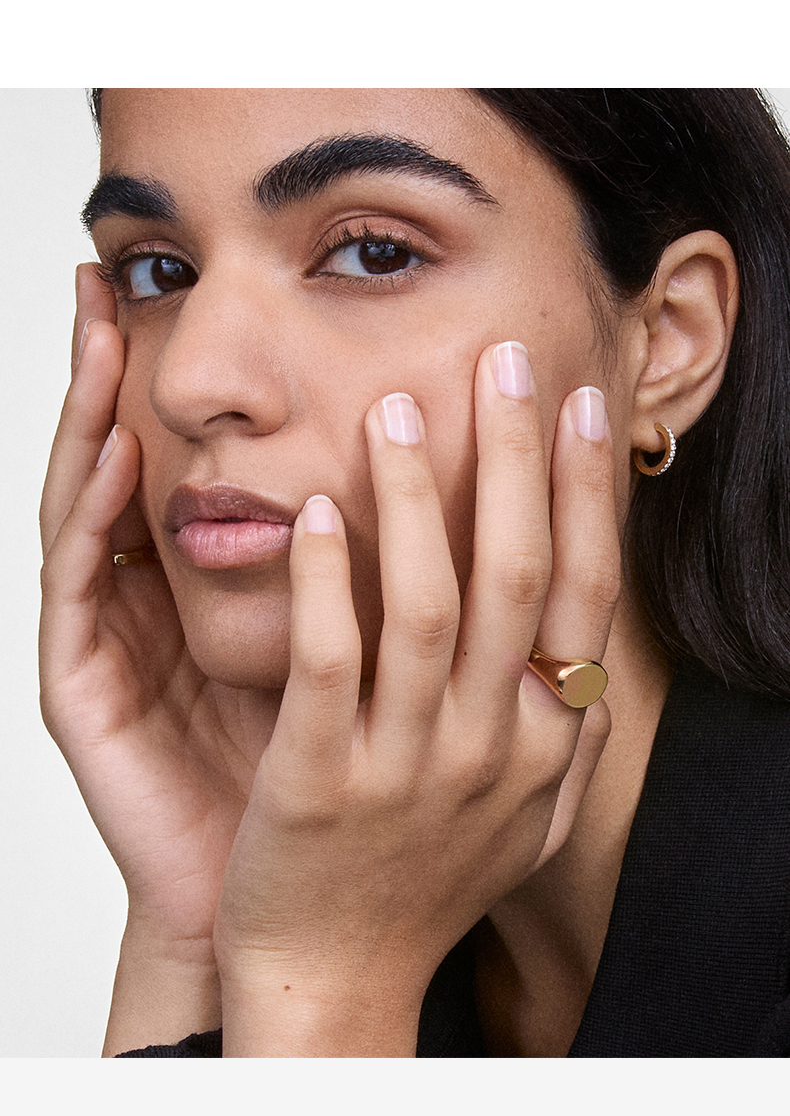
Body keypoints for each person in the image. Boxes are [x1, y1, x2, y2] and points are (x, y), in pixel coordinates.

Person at [38, 89, 790, 1059]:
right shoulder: (355, 901)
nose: (190, 379)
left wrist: (323, 987)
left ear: (668, 340)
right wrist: (201, 928)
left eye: (373, 253)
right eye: (157, 270)